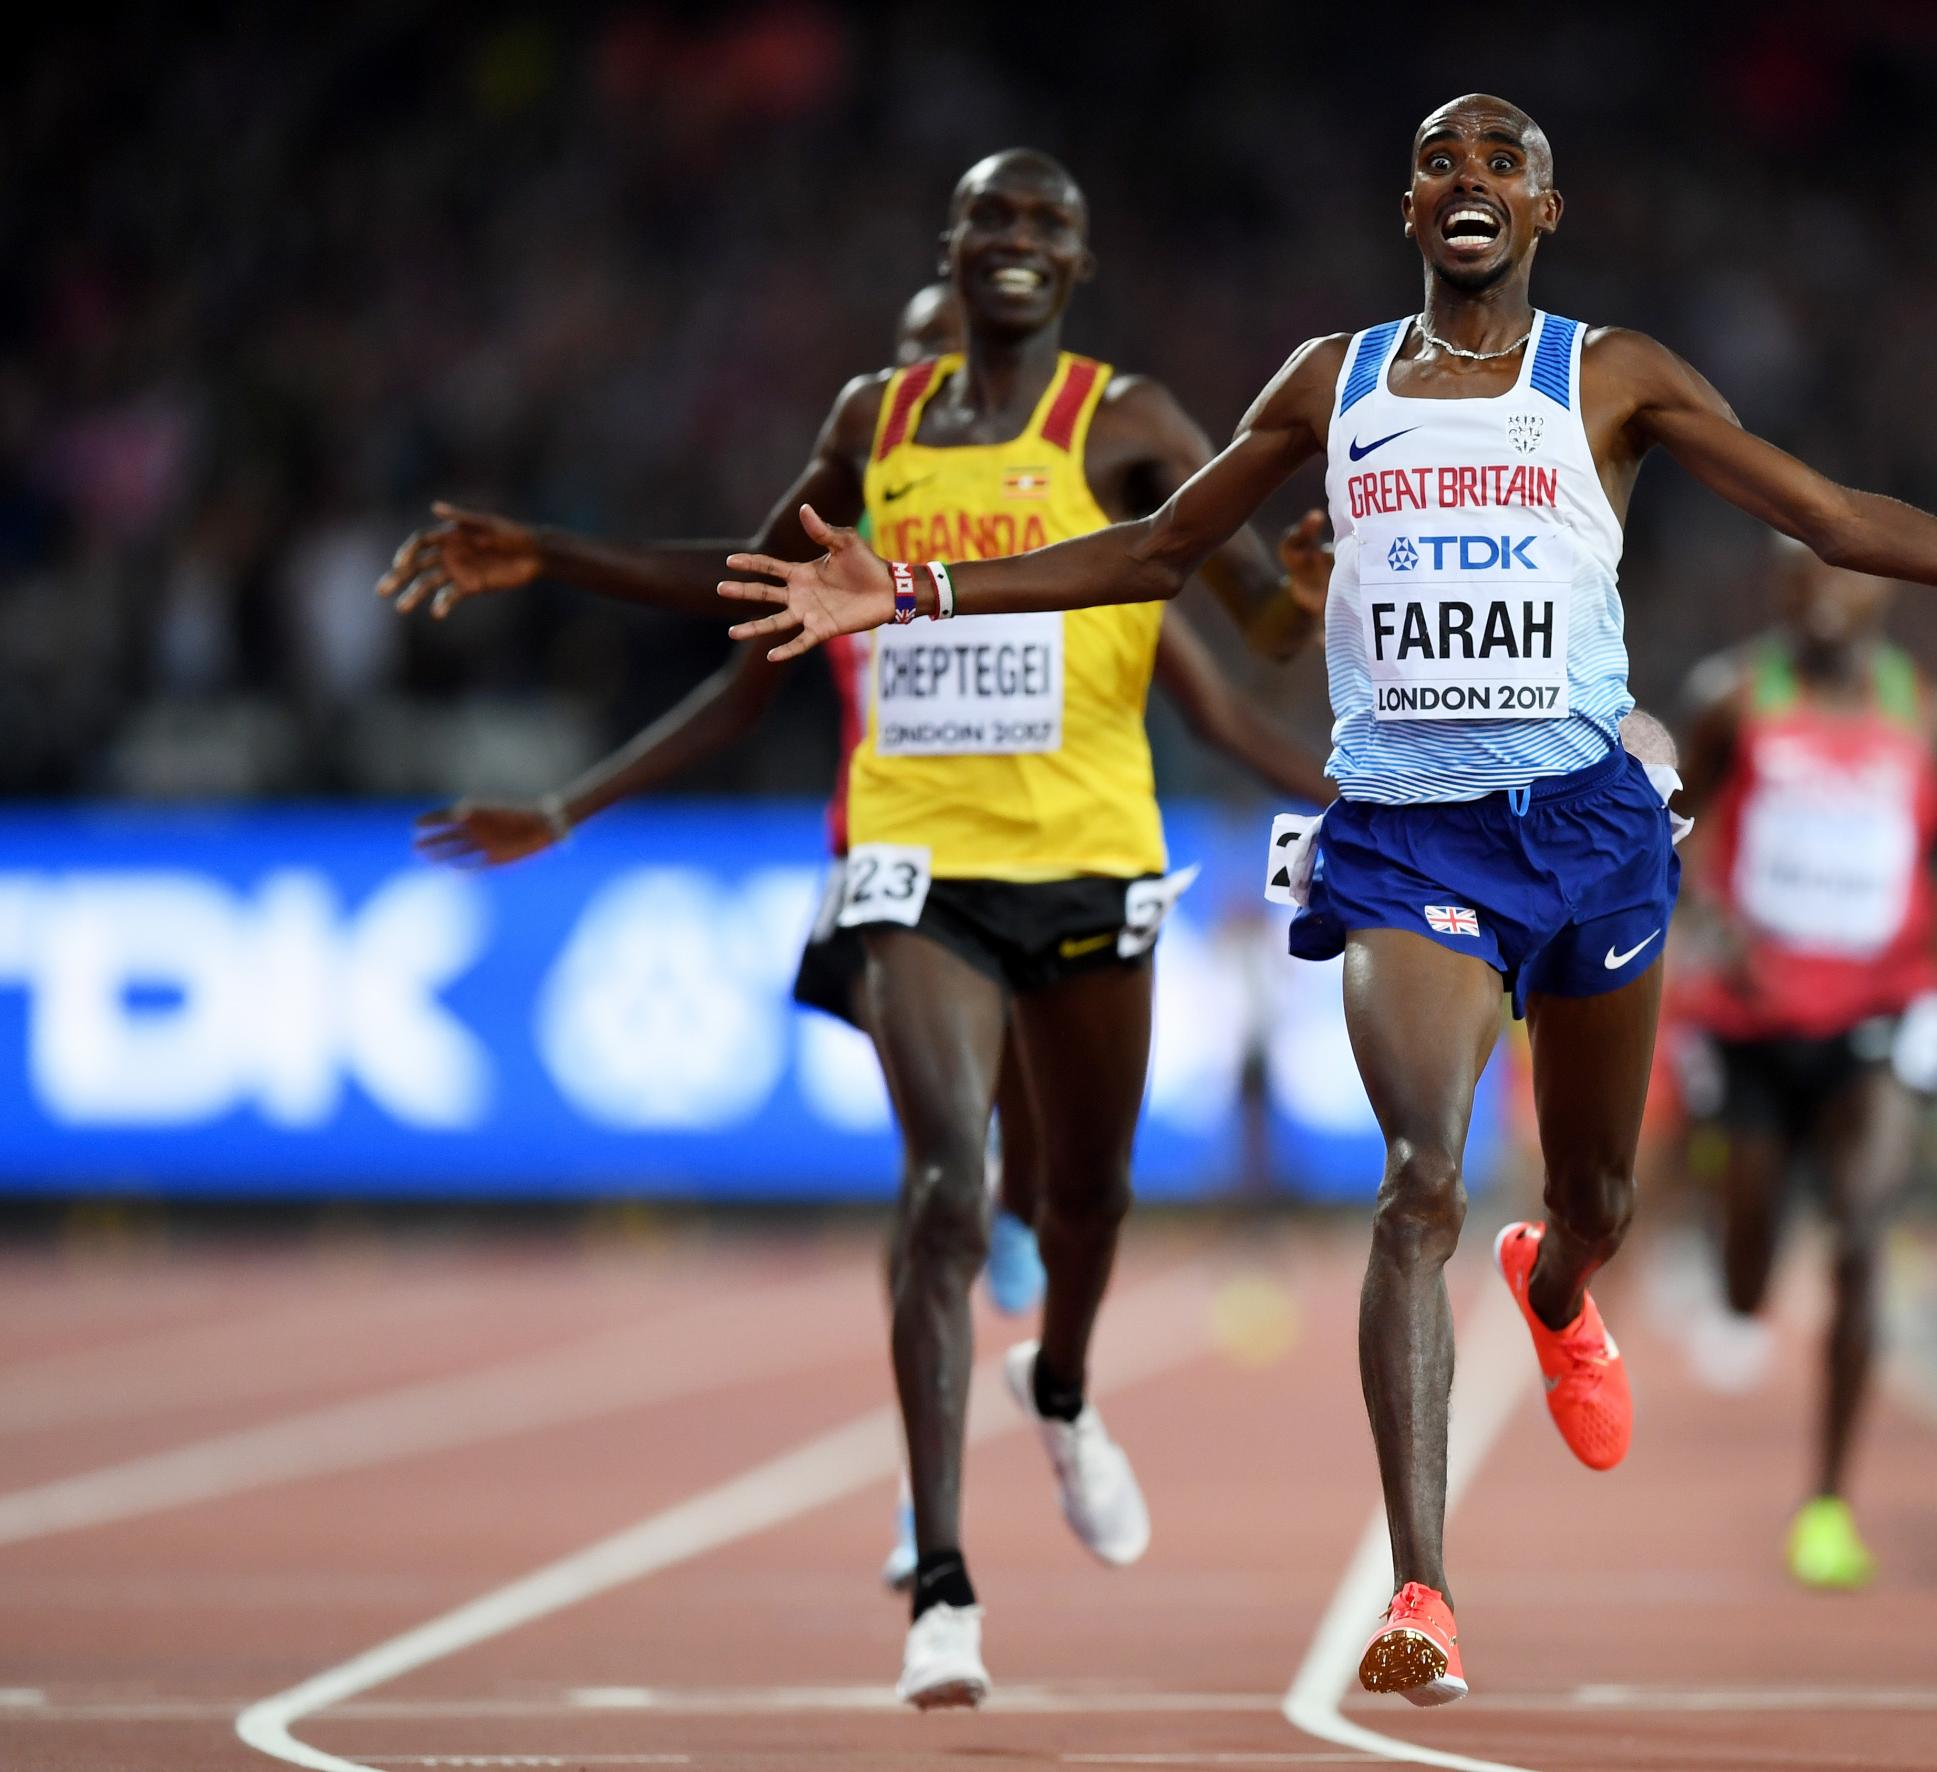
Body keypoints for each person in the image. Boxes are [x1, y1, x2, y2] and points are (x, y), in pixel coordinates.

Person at [714, 95, 1937, 1705]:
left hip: (1595, 833)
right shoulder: (1327, 382)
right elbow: (1153, 551)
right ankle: (1425, 1591)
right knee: (1417, 1181)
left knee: (1599, 1192)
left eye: (1504, 166)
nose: (1472, 183)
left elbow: (1830, 517)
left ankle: (1562, 1283)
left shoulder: (1611, 377)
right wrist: (911, 585)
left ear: (1549, 210)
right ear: (1411, 205)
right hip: (1408, 840)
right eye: (1446, 163)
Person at [378, 151, 1330, 1710]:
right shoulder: (869, 425)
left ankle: (1067, 1389)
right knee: (948, 1185)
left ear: (1079, 263)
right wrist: (553, 571)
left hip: (1092, 861)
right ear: (952, 246)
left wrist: (1298, 592)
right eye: (992, 219)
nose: (1016, 243)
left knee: (1084, 1196)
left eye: (1047, 225)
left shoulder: (1134, 421)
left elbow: (1254, 635)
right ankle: (942, 1584)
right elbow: (747, 594)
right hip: (911, 857)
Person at [1665, 538, 1937, 1590]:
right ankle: (1736, 1221)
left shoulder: (1926, 713)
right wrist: (1707, 912)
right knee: (1747, 1280)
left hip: (1881, 1008)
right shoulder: (1733, 695)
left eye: (1845, 574)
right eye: (1802, 576)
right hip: (1756, 1013)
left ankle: (1827, 1500)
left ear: (1883, 587)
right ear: (1778, 590)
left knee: (1861, 1231)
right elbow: (1668, 822)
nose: (1825, 595)